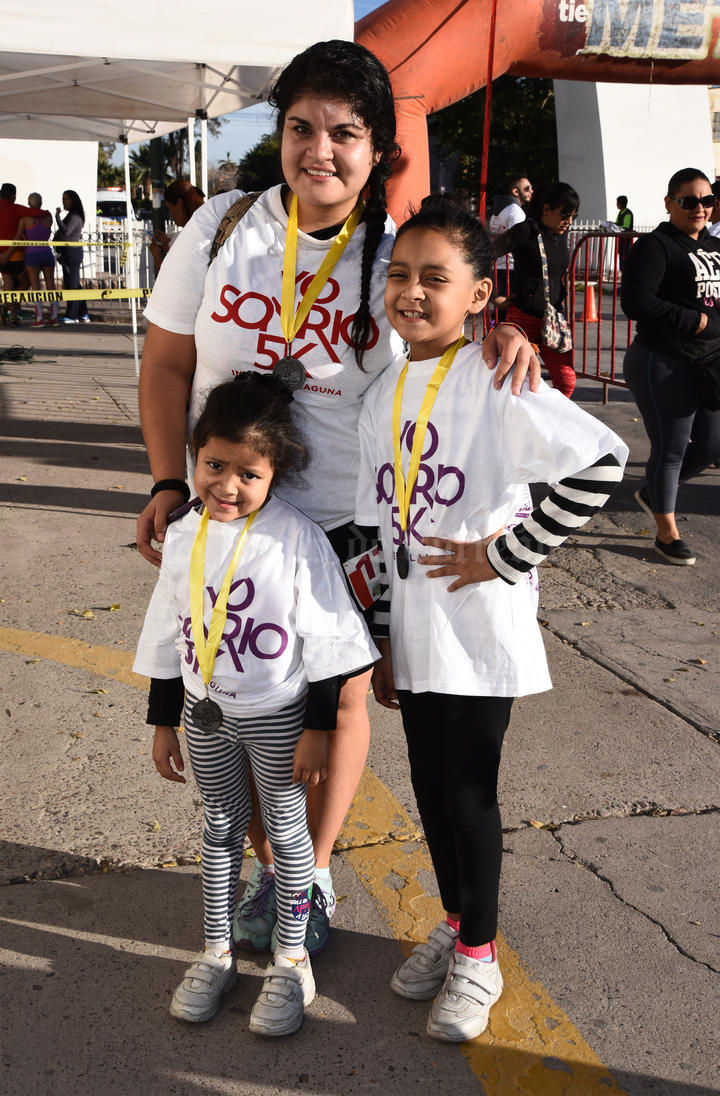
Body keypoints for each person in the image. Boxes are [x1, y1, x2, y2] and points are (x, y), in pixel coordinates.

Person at [137, 38, 541, 959]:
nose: (320, 149)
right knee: (236, 703)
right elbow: (166, 362)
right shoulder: (220, 227)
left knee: (340, 701)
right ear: (278, 133)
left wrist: (506, 330)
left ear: (378, 150)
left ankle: (309, 873)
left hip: (344, 522)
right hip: (229, 511)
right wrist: (168, 480)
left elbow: (450, 331)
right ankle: (272, 859)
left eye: (345, 134)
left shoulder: (394, 254)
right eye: (301, 128)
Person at [356, 196, 627, 1043]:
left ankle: (480, 953)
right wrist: (384, 641)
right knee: (431, 790)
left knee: (471, 795)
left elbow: (599, 466)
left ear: (480, 295)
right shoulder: (382, 393)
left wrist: (503, 555)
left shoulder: (498, 376)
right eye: (400, 275)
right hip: (418, 636)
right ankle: (454, 918)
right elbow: (382, 528)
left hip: (478, 632)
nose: (411, 291)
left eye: (435, 278)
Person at [134, 372, 378, 1033]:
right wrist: (163, 720)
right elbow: (168, 628)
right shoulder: (184, 532)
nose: (227, 485)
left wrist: (318, 730)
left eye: (249, 473)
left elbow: (329, 639)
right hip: (205, 713)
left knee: (289, 835)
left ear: (276, 473)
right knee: (218, 827)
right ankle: (216, 953)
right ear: (194, 455)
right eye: (214, 465)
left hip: (278, 716)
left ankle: (292, 960)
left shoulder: (296, 538)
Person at [621, 167, 720, 566]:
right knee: (672, 448)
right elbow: (636, 301)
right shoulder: (656, 246)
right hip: (661, 360)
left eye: (707, 201)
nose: (699, 208)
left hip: (708, 362)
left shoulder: (715, 247)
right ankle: (667, 533)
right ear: (669, 203)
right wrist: (693, 321)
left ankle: (652, 492)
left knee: (711, 445)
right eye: (689, 201)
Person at [497, 181, 580, 398]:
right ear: (546, 209)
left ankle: (550, 424)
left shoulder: (560, 235)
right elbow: (485, 254)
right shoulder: (526, 231)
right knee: (516, 383)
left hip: (553, 320)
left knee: (566, 381)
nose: (569, 222)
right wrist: (495, 294)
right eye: (564, 215)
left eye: (573, 216)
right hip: (522, 318)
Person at [0, 182, 50, 325]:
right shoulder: (15, 209)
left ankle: (12, 315)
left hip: (1, 256)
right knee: (25, 283)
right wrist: (47, 213)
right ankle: (6, 310)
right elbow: (37, 212)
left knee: (8, 285)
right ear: (13, 196)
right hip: (15, 255)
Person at [17, 193, 58, 326]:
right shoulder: (48, 217)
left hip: (32, 254)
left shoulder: (25, 218)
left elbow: (18, 236)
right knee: (51, 285)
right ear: (41, 202)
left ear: (29, 202)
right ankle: (54, 317)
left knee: (36, 286)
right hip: (46, 252)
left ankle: (39, 318)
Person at [149, 180, 205, 273]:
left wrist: (156, 255)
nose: (171, 214)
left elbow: (167, 282)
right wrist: (169, 245)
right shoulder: (208, 228)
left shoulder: (186, 238)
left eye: (170, 208)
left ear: (179, 204)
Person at [54, 190, 89, 324]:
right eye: (63, 199)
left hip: (72, 253)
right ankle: (83, 313)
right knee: (73, 283)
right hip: (67, 253)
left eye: (67, 199)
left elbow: (67, 231)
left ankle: (72, 315)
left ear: (73, 201)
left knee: (72, 285)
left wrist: (57, 217)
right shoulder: (71, 215)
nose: (64, 202)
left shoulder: (75, 216)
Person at [615, 194, 634, 270]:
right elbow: (617, 223)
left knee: (625, 254)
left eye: (617, 203)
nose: (616, 204)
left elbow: (625, 227)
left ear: (621, 203)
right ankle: (621, 270)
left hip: (626, 239)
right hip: (621, 238)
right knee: (620, 253)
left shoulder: (628, 213)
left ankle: (625, 270)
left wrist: (616, 227)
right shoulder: (620, 212)